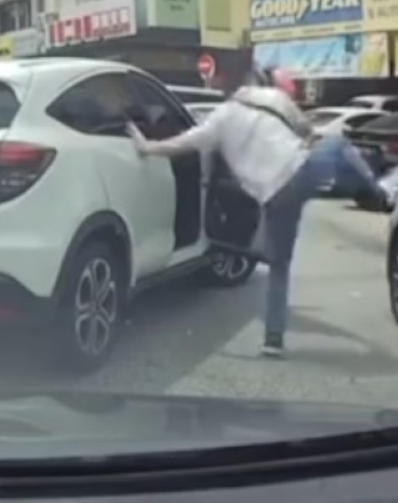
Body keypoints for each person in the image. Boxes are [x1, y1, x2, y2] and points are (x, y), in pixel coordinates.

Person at [126, 69, 384, 358]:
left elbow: (184, 143)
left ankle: (273, 340)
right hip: (300, 172)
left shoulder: (220, 119)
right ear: (254, 85)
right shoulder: (275, 98)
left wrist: (146, 147)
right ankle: (377, 190)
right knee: (337, 145)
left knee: (279, 267)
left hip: (274, 197)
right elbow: (308, 132)